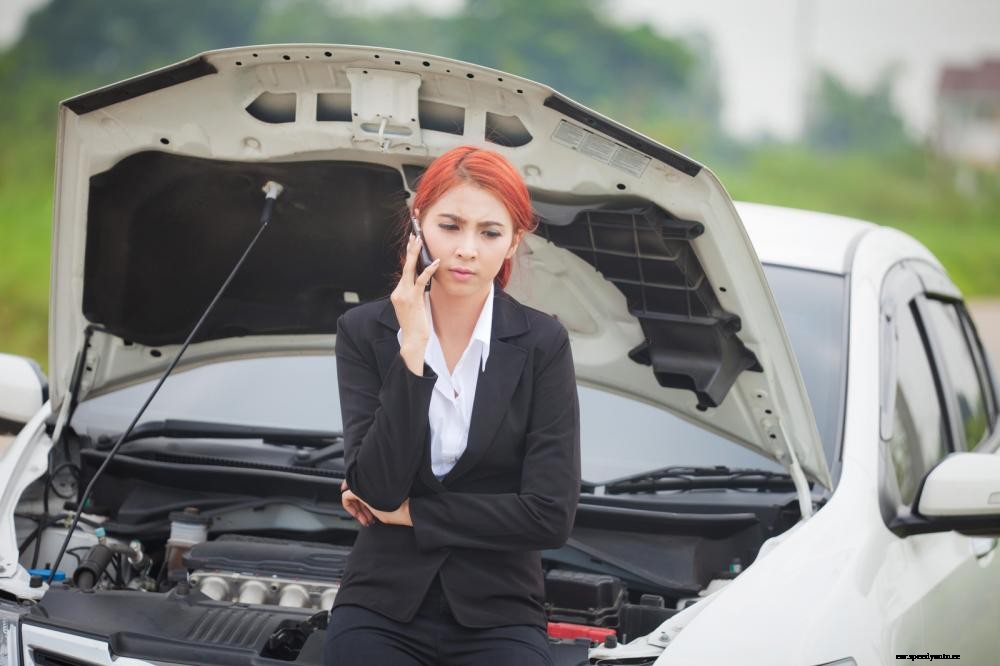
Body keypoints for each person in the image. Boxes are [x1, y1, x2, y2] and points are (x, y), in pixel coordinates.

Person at [323, 145, 581, 665]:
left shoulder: (542, 343)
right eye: (451, 225)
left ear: (513, 243)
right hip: (381, 604)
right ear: (418, 223)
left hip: (500, 612)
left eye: (489, 232)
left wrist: (411, 513)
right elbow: (375, 486)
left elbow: (549, 515)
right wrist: (412, 349)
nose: (467, 249)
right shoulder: (365, 332)